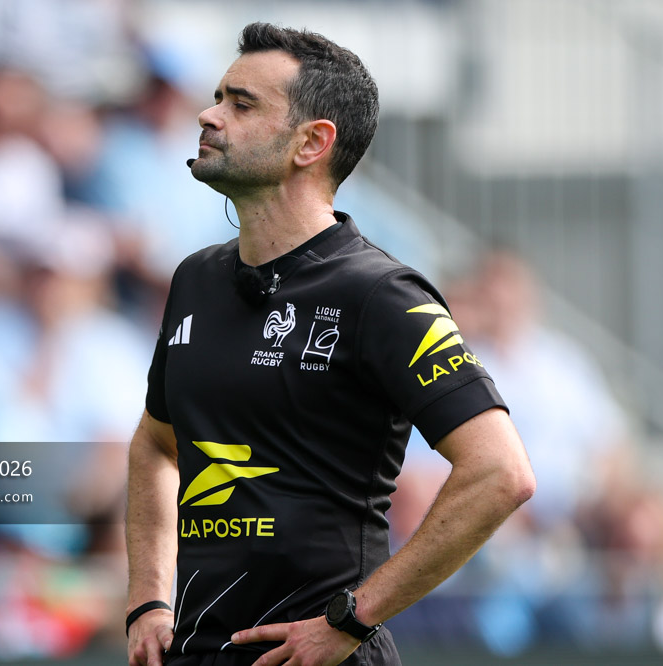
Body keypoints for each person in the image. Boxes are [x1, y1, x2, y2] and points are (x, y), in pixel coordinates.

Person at [124, 22, 536, 666]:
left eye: (242, 103)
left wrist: (354, 618)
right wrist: (148, 598)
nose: (208, 114)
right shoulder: (194, 279)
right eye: (218, 96)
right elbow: (155, 444)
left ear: (311, 143)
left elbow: (500, 473)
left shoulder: (384, 295)